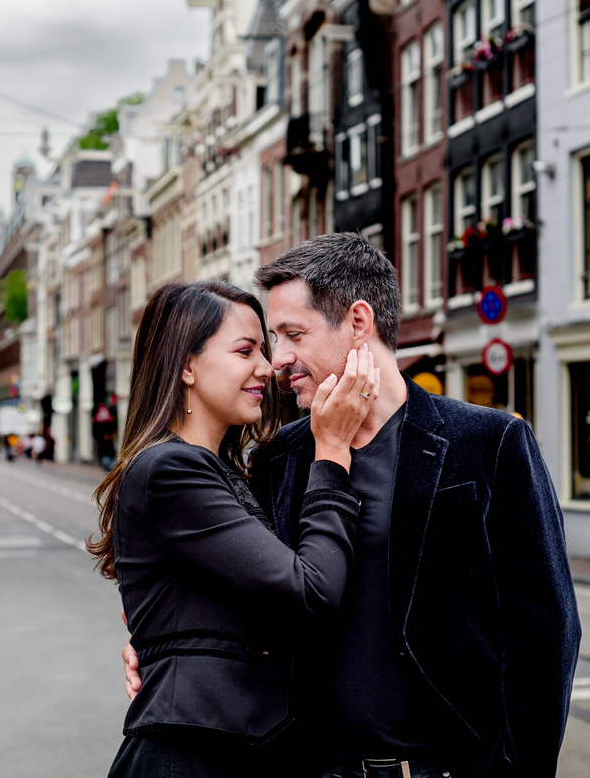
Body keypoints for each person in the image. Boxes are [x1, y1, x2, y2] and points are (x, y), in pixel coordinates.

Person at [125, 234, 582, 778]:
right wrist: (153, 639)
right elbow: (236, 573)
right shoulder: (279, 458)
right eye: (270, 340)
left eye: (293, 334)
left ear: (359, 323)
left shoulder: (489, 442)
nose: (279, 360)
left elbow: (546, 631)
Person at [92, 280, 379, 778]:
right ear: (185, 365)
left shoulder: (224, 471)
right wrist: (332, 453)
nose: (267, 368)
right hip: (192, 756)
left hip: (231, 749)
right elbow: (310, 590)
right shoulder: (169, 471)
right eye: (246, 350)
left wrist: (165, 645)